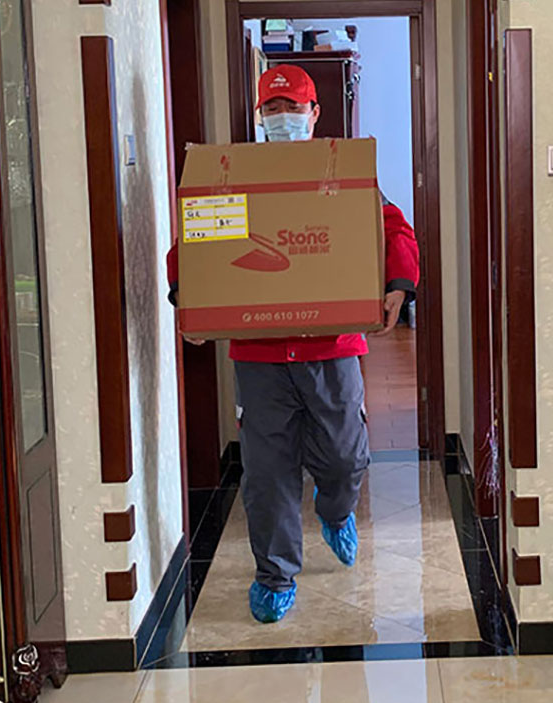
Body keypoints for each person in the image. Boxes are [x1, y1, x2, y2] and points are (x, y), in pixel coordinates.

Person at [167, 64, 420, 624]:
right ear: (259, 116)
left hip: (332, 348)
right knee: (267, 472)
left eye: (292, 108)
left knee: (345, 458)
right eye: (272, 109)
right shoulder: (234, 178)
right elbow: (198, 246)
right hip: (259, 355)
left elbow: (394, 230)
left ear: (315, 113)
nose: (283, 118)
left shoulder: (343, 173)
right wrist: (188, 294)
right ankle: (275, 574)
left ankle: (336, 511)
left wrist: (399, 284)